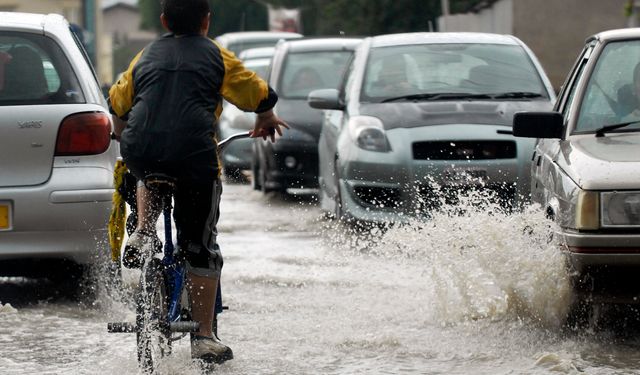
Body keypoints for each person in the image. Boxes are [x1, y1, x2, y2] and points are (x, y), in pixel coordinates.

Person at [108, 0, 288, 364]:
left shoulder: (145, 55)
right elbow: (254, 91)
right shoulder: (215, 55)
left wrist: (122, 133)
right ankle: (204, 335)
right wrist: (266, 114)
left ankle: (144, 230)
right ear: (207, 21)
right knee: (200, 246)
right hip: (192, 154)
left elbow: (117, 100)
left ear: (163, 21)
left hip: (141, 147)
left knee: (145, 167)